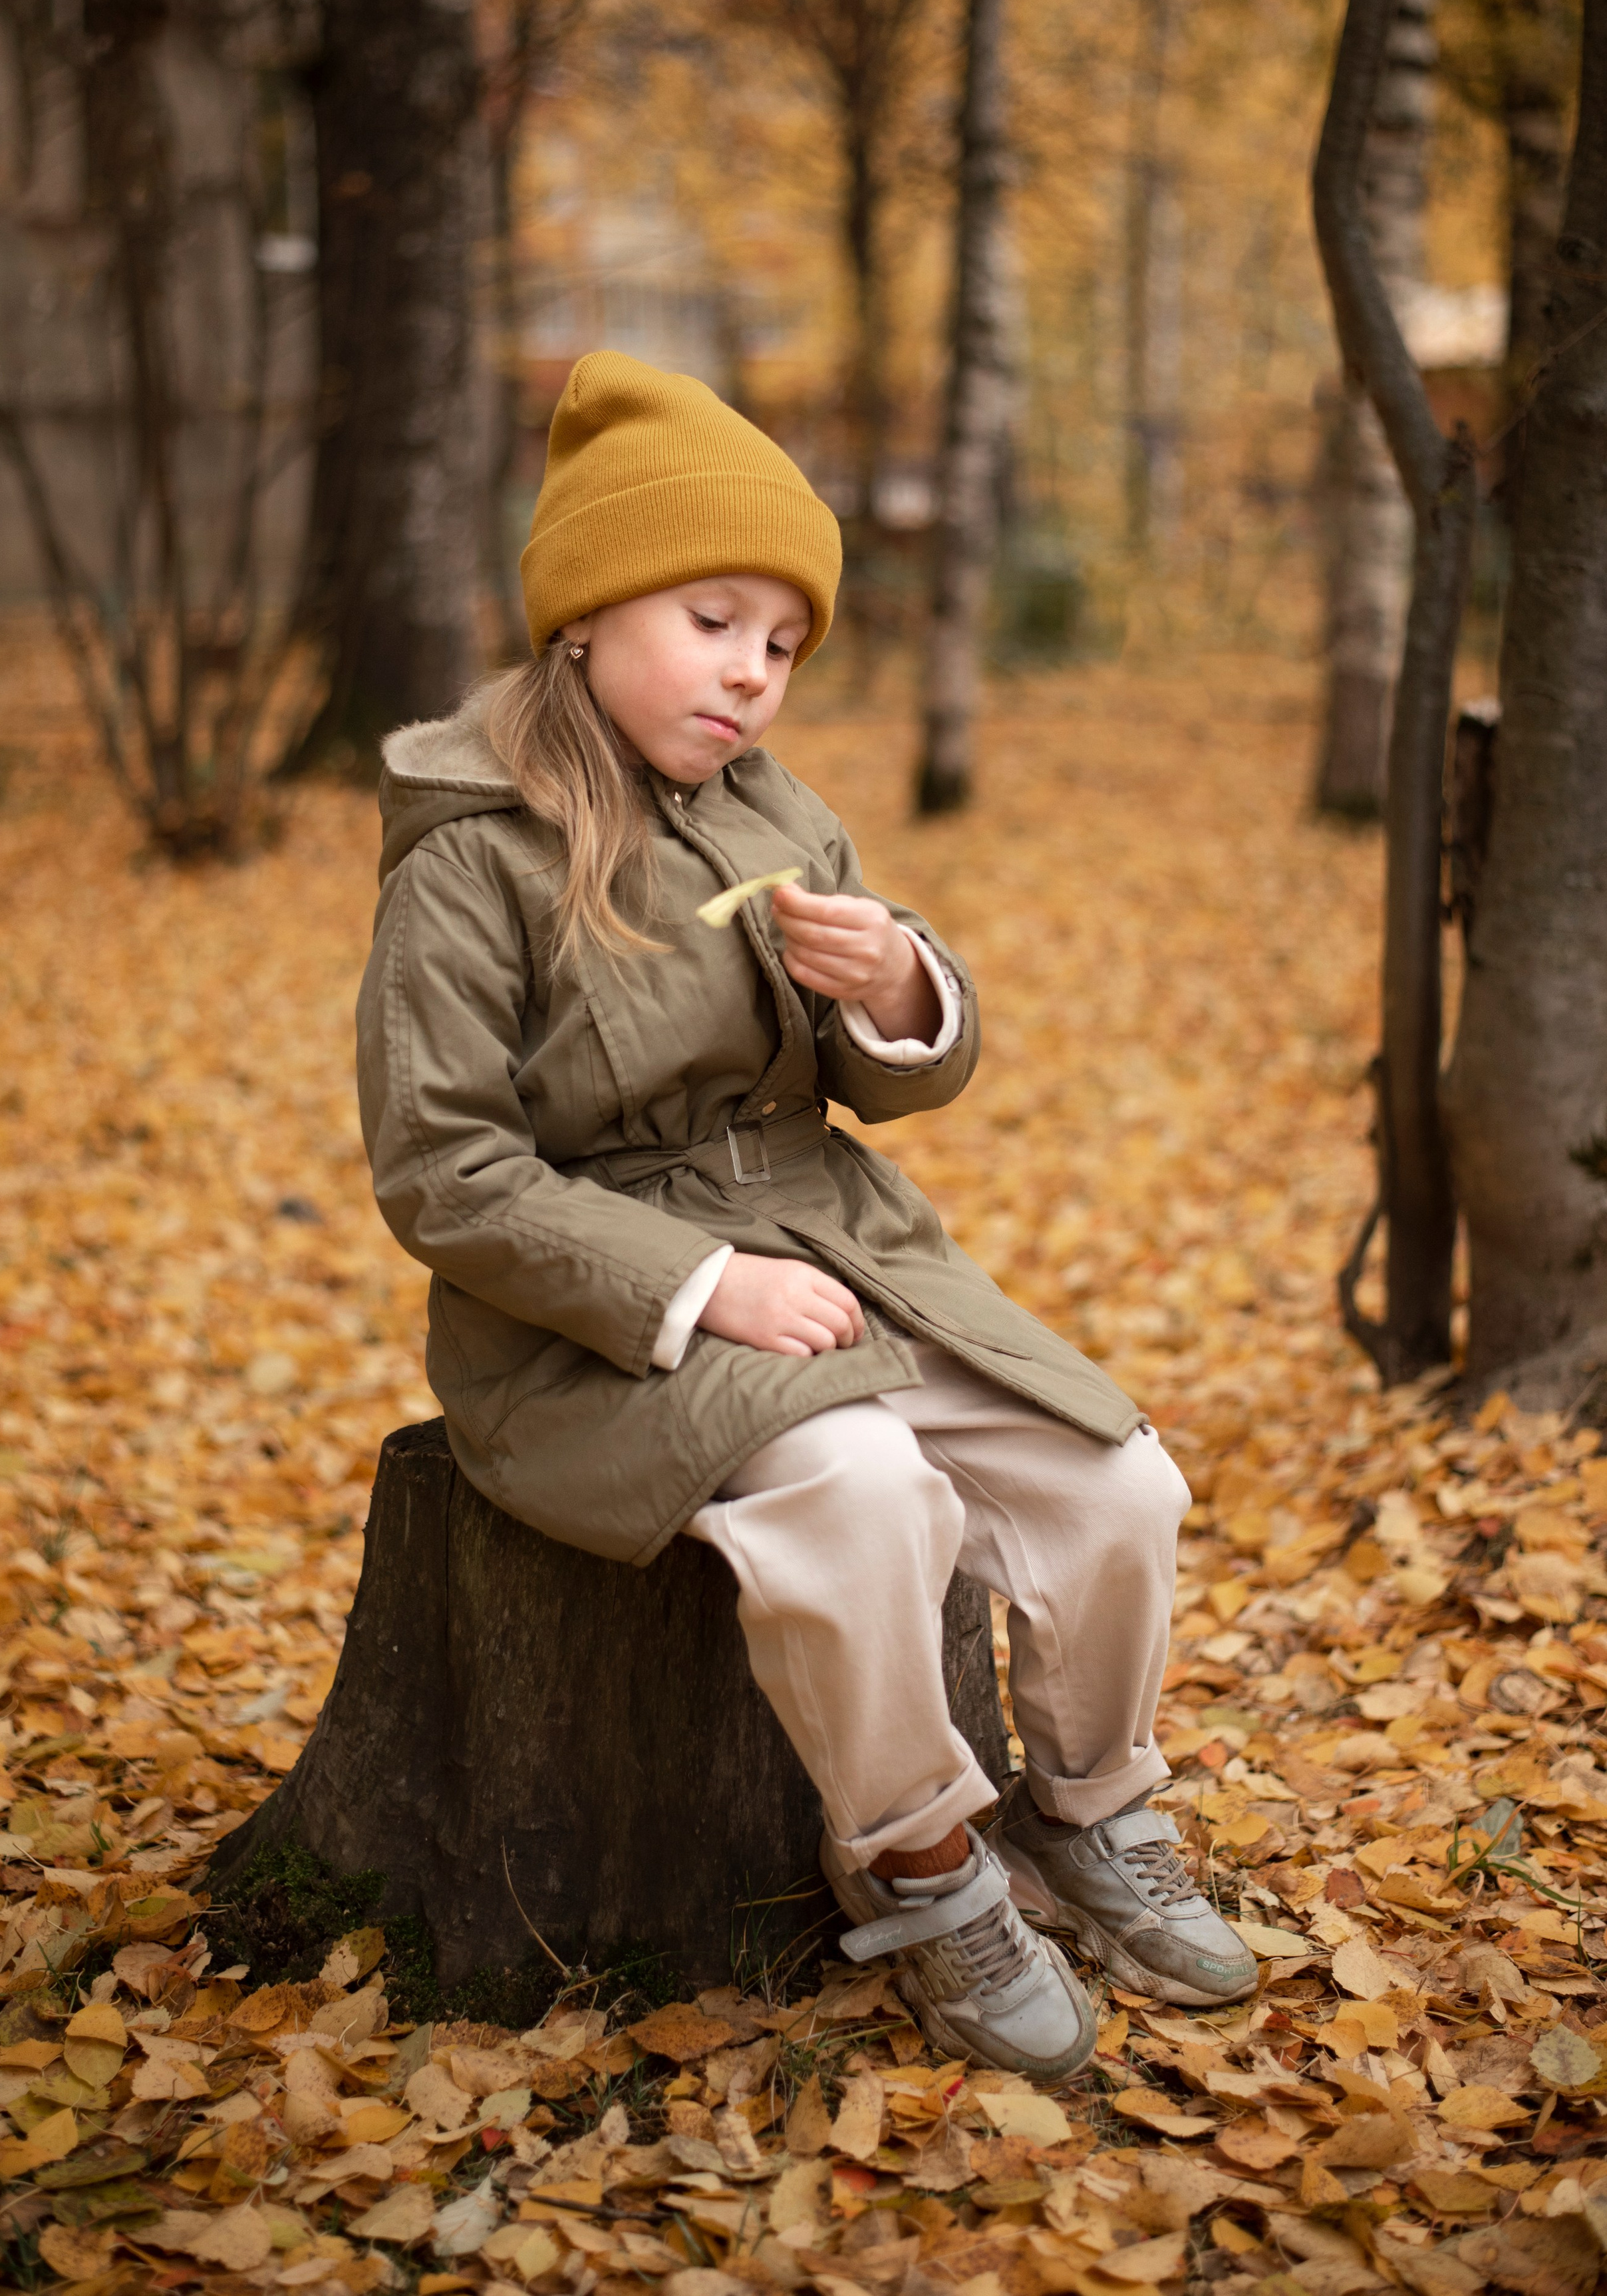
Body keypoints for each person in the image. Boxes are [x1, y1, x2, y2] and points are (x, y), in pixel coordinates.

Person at [356, 351, 1255, 2081]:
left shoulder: (783, 817)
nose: (755, 673)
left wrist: (904, 982)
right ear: (590, 610)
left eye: (783, 642)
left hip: (842, 1258)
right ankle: (925, 1865)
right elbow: (443, 1173)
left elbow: (889, 1085)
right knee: (861, 1493)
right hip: (587, 1331)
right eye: (715, 620)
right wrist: (698, 1285)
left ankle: (1091, 1810)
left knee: (1119, 1478)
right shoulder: (466, 860)